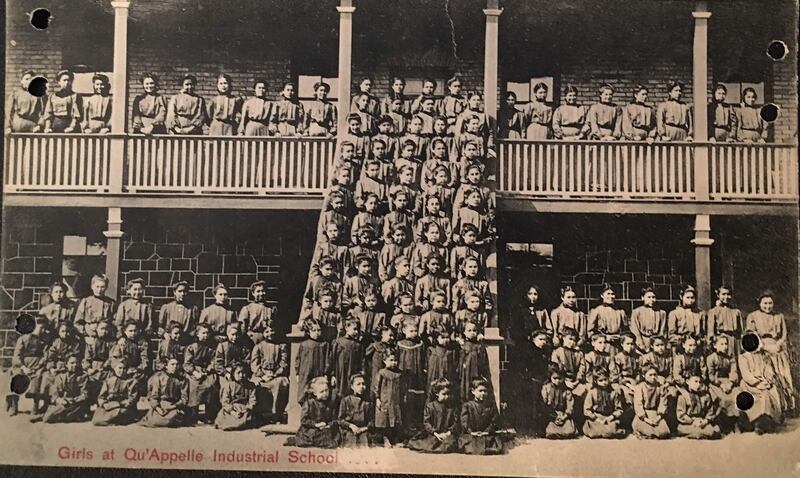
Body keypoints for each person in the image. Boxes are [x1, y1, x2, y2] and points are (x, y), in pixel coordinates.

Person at [745, 290, 794, 412]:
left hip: (778, 351)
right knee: (768, 378)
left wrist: (778, 345)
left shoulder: (779, 316)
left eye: (770, 303)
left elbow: (784, 335)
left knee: (782, 376)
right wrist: (763, 347)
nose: (768, 306)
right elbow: (751, 336)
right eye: (765, 303)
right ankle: (772, 407)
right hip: (762, 351)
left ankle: (786, 406)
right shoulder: (753, 316)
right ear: (759, 303)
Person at [738, 342, 785, 434]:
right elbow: (746, 375)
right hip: (750, 384)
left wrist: (768, 381)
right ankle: (757, 423)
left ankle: (767, 420)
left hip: (764, 382)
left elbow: (769, 370)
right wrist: (757, 383)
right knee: (760, 396)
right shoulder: (743, 357)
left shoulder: (763, 356)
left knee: (771, 392)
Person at [459, 377, 514, 454]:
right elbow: (464, 421)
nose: (483, 393)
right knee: (470, 443)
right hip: (473, 434)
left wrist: (487, 431)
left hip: (486, 434)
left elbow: (494, 420)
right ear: (473, 391)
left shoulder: (490, 405)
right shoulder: (468, 405)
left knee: (494, 442)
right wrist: (471, 432)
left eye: (485, 391)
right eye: (480, 391)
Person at [6, 317, 47, 416]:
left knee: (39, 377)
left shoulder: (44, 340)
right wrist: (23, 367)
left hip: (37, 365)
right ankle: (14, 404)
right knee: (17, 376)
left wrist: (38, 366)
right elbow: (17, 355)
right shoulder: (23, 339)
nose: (42, 330)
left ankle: (35, 405)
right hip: (23, 364)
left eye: (44, 328)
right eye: (40, 327)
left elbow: (45, 356)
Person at [250, 325, 290, 424]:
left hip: (275, 374)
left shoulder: (281, 346)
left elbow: (284, 363)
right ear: (263, 334)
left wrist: (275, 374)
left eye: (272, 331)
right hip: (261, 374)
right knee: (255, 385)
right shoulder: (258, 347)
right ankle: (259, 414)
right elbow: (254, 364)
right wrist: (262, 375)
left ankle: (275, 414)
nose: (270, 333)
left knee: (280, 384)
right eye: (267, 331)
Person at [407, 378, 460, 453]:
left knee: (451, 443)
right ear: (437, 393)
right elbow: (427, 422)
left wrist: (448, 433)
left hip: (446, 434)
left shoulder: (452, 407)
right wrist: (435, 433)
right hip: (434, 434)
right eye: (444, 394)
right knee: (428, 443)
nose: (447, 396)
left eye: (448, 394)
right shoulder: (430, 406)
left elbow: (455, 422)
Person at [183, 323, 220, 424]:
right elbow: (187, 363)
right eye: (203, 333)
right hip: (194, 371)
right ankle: (193, 414)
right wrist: (194, 372)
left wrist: (207, 370)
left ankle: (209, 414)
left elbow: (214, 361)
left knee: (212, 383)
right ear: (197, 334)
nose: (205, 335)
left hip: (206, 371)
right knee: (194, 386)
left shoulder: (211, 347)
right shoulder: (192, 347)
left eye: (207, 333)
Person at [139, 357, 189, 428]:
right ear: (166, 366)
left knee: (174, 417)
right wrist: (157, 408)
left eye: (176, 364)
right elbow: (153, 395)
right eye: (172, 364)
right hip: (161, 405)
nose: (175, 366)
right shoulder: (159, 377)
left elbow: (184, 398)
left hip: (174, 406)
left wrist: (174, 406)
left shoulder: (182, 379)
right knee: (154, 420)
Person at [397, 320, 427, 437]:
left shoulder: (420, 344)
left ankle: (415, 425)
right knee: (405, 400)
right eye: (411, 331)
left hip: (417, 376)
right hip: (405, 375)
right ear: (404, 331)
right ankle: (405, 427)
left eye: (415, 331)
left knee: (416, 400)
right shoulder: (400, 344)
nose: (414, 333)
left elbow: (423, 358)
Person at [705, 335, 740, 433]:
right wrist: (721, 385)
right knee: (723, 399)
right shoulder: (710, 358)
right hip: (716, 384)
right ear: (715, 345)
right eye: (721, 344)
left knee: (737, 394)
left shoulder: (730, 358)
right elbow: (711, 376)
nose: (725, 346)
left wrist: (731, 383)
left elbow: (734, 372)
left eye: (726, 344)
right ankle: (723, 424)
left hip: (728, 382)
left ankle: (735, 422)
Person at [91, 358, 141, 426]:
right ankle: (112, 421)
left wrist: (119, 404)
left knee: (122, 412)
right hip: (109, 406)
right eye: (119, 368)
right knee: (96, 420)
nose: (122, 371)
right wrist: (103, 404)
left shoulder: (132, 381)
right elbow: (101, 397)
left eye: (124, 368)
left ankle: (115, 420)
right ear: (114, 368)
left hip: (123, 407)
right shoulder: (109, 380)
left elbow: (132, 399)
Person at [293, 376, 340, 447]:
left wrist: (328, 425)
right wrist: (316, 425)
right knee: (313, 434)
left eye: (326, 390)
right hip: (311, 428)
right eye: (322, 391)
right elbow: (304, 420)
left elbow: (334, 419)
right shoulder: (309, 403)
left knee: (333, 433)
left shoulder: (330, 404)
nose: (325, 393)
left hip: (324, 428)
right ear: (315, 393)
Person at [42, 354, 90, 423]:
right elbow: (54, 391)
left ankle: (68, 416)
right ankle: (67, 416)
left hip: (76, 403)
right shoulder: (60, 376)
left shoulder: (83, 376)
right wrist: (58, 399)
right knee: (47, 418)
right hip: (63, 403)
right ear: (66, 364)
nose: (75, 365)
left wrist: (73, 400)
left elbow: (84, 394)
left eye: (77, 363)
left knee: (58, 416)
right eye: (72, 363)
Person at [108, 320, 149, 396]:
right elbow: (115, 359)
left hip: (135, 370)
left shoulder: (141, 343)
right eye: (130, 331)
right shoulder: (121, 343)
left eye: (135, 331)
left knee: (141, 377)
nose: (133, 333)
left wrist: (138, 368)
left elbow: (144, 359)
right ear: (125, 331)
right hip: (123, 369)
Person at [295, 320, 332, 404]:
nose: (317, 333)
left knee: (318, 392)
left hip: (319, 371)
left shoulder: (324, 344)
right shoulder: (304, 344)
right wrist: (297, 373)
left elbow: (327, 359)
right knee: (304, 394)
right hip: (306, 372)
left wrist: (326, 372)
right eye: (314, 330)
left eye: (318, 330)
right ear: (309, 332)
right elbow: (298, 359)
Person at [675, 374, 721, 439]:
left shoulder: (705, 396)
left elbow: (710, 411)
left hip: (701, 421)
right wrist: (692, 421)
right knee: (694, 432)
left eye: (700, 382)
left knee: (713, 431)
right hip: (688, 423)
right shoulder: (683, 396)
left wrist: (705, 421)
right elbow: (681, 414)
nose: (698, 384)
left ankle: (699, 433)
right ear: (688, 381)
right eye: (695, 381)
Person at [372, 350, 403, 447]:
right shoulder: (382, 373)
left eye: (395, 360)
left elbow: (403, 388)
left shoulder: (399, 373)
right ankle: (385, 439)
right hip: (385, 400)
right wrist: (377, 398)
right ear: (384, 361)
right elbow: (377, 386)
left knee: (395, 420)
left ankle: (395, 439)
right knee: (384, 420)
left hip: (396, 401)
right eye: (391, 360)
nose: (394, 362)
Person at [330, 319, 366, 401]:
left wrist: (362, 372)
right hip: (340, 373)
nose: (356, 332)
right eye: (354, 329)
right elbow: (332, 359)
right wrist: (332, 375)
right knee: (339, 393)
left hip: (353, 374)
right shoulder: (338, 342)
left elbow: (362, 360)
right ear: (346, 328)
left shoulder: (358, 345)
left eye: (358, 330)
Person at [582, 370, 626, 439]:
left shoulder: (614, 393)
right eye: (601, 380)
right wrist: (597, 418)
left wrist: (611, 417)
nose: (604, 383)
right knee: (594, 431)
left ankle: (607, 430)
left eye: (605, 379)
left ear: (608, 379)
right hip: (597, 418)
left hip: (609, 417)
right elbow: (587, 410)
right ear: (596, 381)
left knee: (611, 429)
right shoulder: (592, 392)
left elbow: (619, 409)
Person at [587, 284, 628, 356]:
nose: (611, 296)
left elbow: (626, 329)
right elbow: (590, 331)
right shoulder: (597, 310)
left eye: (613, 294)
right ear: (602, 295)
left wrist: (621, 338)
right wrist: (604, 338)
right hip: (603, 344)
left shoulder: (620, 311)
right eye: (608, 294)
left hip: (617, 345)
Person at [632, 365, 671, 439]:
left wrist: (658, 418)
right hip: (644, 415)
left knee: (664, 432)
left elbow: (663, 403)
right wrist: (646, 419)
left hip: (656, 414)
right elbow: (638, 405)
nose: (653, 377)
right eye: (650, 375)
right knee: (649, 432)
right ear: (644, 375)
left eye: (655, 375)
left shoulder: (661, 387)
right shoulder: (640, 387)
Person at [215, 363, 257, 431]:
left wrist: (246, 409)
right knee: (223, 418)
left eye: (243, 373)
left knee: (248, 417)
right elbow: (225, 402)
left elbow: (253, 400)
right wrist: (232, 412)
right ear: (233, 374)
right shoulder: (228, 385)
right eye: (238, 373)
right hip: (231, 410)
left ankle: (240, 424)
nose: (241, 375)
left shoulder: (251, 386)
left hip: (244, 409)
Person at [337, 373, 373, 447]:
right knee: (350, 443)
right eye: (358, 384)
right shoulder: (346, 400)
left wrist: (364, 428)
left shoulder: (368, 402)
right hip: (349, 429)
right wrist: (351, 426)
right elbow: (340, 420)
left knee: (365, 443)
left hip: (363, 430)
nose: (361, 387)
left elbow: (371, 420)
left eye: (363, 384)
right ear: (352, 386)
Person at [541, 368, 578, 439]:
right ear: (550, 378)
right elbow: (544, 404)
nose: (557, 381)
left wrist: (564, 416)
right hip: (551, 414)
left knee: (569, 431)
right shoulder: (546, 388)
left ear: (563, 378)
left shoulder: (567, 390)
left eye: (560, 378)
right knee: (549, 431)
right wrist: (554, 416)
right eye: (555, 378)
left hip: (563, 414)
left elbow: (570, 406)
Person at [550, 327, 587, 398]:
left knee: (583, 391)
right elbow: (555, 369)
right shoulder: (557, 352)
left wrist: (577, 381)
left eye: (574, 340)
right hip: (561, 381)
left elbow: (582, 369)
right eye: (570, 339)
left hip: (575, 381)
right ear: (564, 338)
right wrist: (565, 381)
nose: (572, 342)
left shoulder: (579, 354)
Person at [705, 285, 741, 357]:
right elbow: (711, 331)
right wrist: (711, 343)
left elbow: (740, 330)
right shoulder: (714, 311)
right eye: (723, 294)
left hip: (734, 341)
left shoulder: (736, 311)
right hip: (721, 340)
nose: (726, 297)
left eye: (728, 294)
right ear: (718, 295)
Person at [214, 324, 252, 388]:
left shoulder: (243, 347)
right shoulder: (222, 346)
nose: (235, 337)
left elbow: (248, 360)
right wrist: (225, 372)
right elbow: (218, 363)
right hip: (226, 373)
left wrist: (241, 364)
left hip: (241, 372)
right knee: (227, 387)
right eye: (232, 335)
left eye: (237, 335)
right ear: (227, 334)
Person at [238, 280, 276, 345]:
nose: (261, 293)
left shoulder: (270, 309)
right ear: (253, 293)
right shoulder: (247, 308)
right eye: (258, 291)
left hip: (266, 338)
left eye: (263, 291)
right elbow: (242, 328)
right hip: (252, 339)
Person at [629, 287, 666, 353]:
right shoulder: (637, 312)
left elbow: (662, 331)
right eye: (649, 297)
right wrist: (642, 346)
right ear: (642, 298)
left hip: (656, 344)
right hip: (642, 341)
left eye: (653, 297)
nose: (651, 299)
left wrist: (657, 344)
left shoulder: (661, 313)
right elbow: (635, 330)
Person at [365, 326, 395, 391]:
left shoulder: (392, 348)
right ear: (382, 334)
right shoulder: (375, 346)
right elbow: (365, 358)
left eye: (393, 336)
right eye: (390, 335)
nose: (392, 338)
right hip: (376, 373)